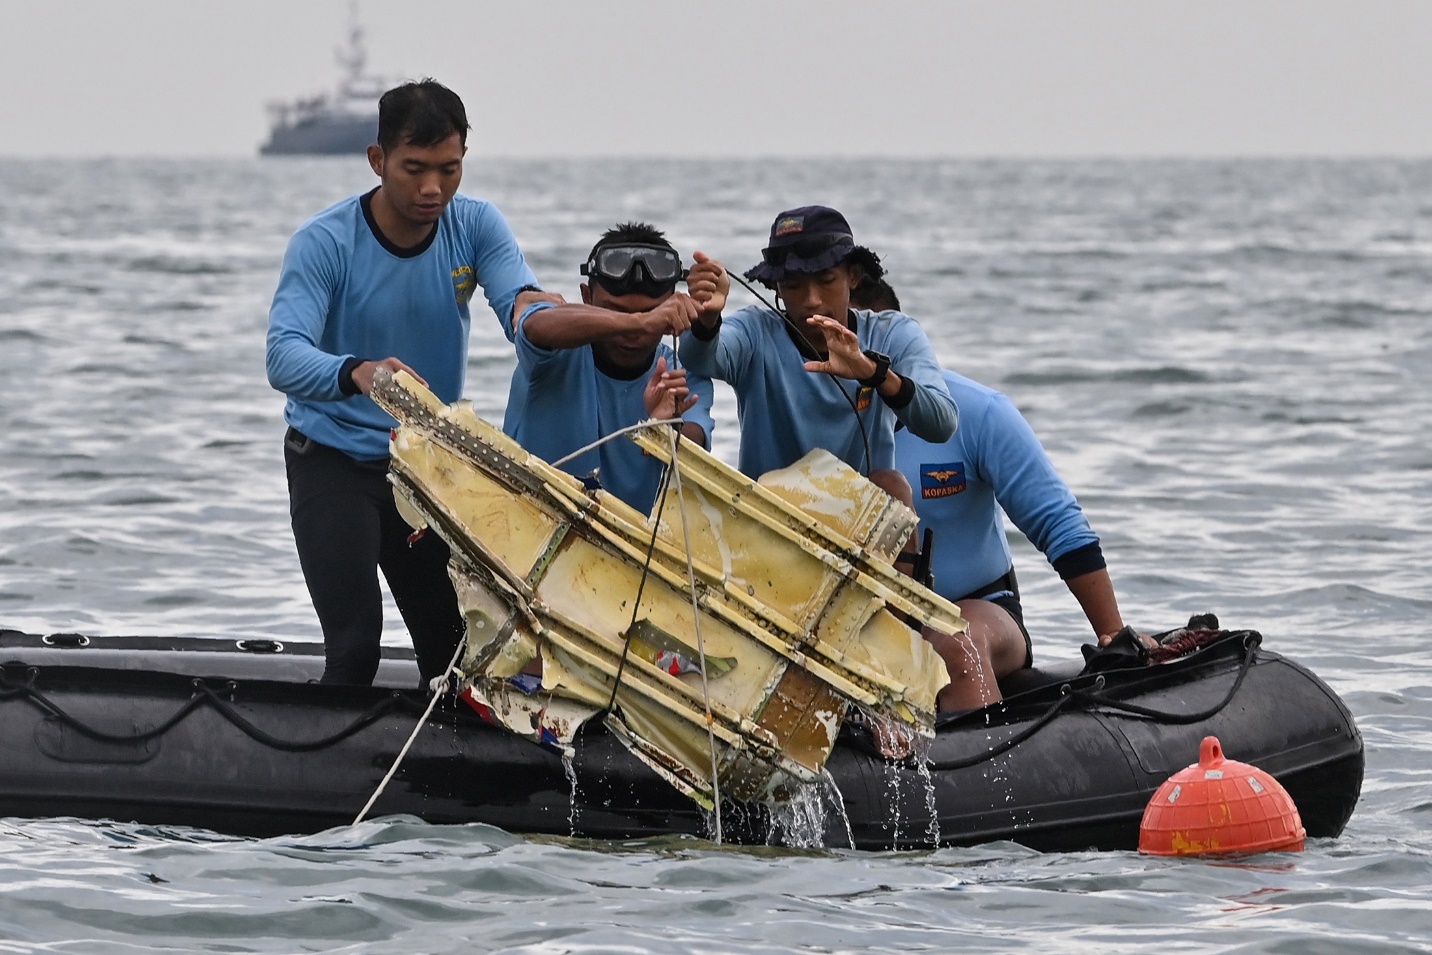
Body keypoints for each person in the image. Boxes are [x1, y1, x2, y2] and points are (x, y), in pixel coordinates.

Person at [265, 79, 549, 686]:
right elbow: (282, 358)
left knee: (455, 656)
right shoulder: (324, 242)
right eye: (414, 169)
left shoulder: (473, 226)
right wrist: (359, 371)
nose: (432, 189)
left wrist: (569, 317)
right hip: (332, 461)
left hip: (422, 468)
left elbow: (519, 306)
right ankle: (336, 778)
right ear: (378, 160)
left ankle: (440, 779)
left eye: (449, 170)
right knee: (356, 648)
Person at [852, 278, 1139, 712]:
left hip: (979, 609)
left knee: (951, 645)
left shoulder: (979, 411)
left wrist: (1113, 636)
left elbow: (1059, 524)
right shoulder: (809, 424)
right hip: (854, 617)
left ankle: (991, 772)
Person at [679, 205, 957, 501]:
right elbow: (700, 358)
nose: (811, 300)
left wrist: (872, 372)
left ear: (853, 276)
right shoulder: (755, 332)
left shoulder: (893, 333)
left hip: (863, 524)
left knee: (891, 484)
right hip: (768, 521)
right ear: (776, 286)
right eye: (793, 285)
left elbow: (941, 424)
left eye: (826, 281)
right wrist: (708, 318)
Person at [503, 223, 716, 512]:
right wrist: (643, 321)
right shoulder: (552, 352)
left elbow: (697, 443)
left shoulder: (681, 373)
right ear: (586, 297)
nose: (634, 333)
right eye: (615, 310)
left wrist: (663, 432)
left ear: (672, 307)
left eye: (653, 312)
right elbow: (533, 325)